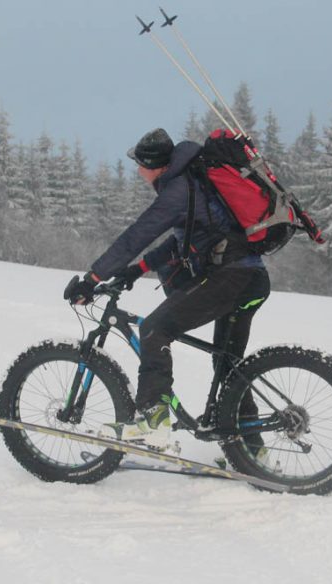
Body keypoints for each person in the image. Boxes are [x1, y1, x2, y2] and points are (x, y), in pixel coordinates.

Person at [66, 128, 270, 451]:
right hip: (249, 278)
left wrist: (93, 278)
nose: (138, 171)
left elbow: (137, 235)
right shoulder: (191, 183)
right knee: (228, 365)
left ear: (155, 166)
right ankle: (251, 451)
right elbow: (184, 242)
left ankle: (153, 418)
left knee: (153, 329)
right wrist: (138, 269)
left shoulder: (178, 191)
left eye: (140, 164)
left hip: (232, 278)